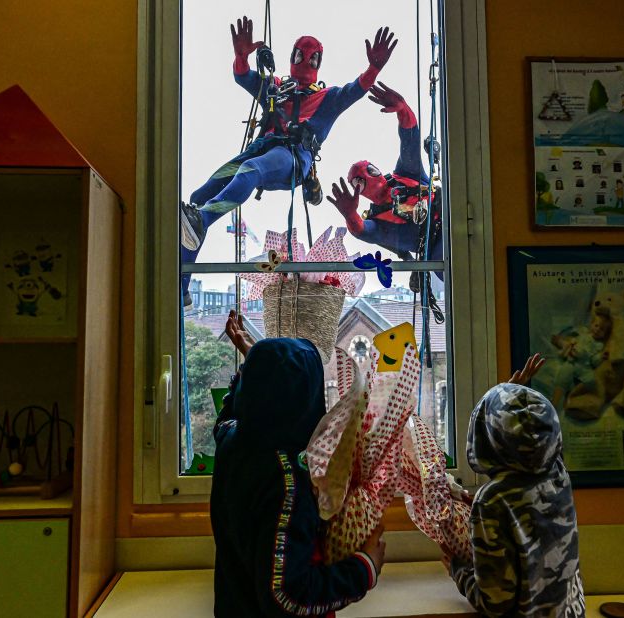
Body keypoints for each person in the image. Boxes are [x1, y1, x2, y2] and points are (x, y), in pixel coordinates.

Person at [180, 17, 398, 306]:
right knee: (200, 196)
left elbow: (354, 90)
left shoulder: (327, 98)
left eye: (312, 58)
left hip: (293, 157)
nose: (305, 62)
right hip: (262, 148)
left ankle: (203, 220)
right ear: (292, 56)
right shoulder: (276, 88)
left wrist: (374, 68)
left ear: (318, 63)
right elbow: (244, 78)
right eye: (300, 55)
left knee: (250, 171)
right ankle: (183, 285)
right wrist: (241, 57)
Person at [211, 310, 386, 617]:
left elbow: (231, 412)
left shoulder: (231, 441)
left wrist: (256, 367)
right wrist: (364, 568)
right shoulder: (287, 483)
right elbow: (287, 596)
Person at [443, 355, 585, 618]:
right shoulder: (557, 472)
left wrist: (458, 570)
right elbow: (534, 439)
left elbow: (495, 603)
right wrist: (509, 395)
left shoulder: (493, 500)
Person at [326, 82, 443, 273]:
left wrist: (403, 109)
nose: (368, 177)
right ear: (359, 193)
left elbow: (409, 140)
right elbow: (361, 230)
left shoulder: (405, 173)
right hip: (438, 251)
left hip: (452, 215)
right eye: (359, 182)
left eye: (369, 170)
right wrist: (350, 215)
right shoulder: (378, 221)